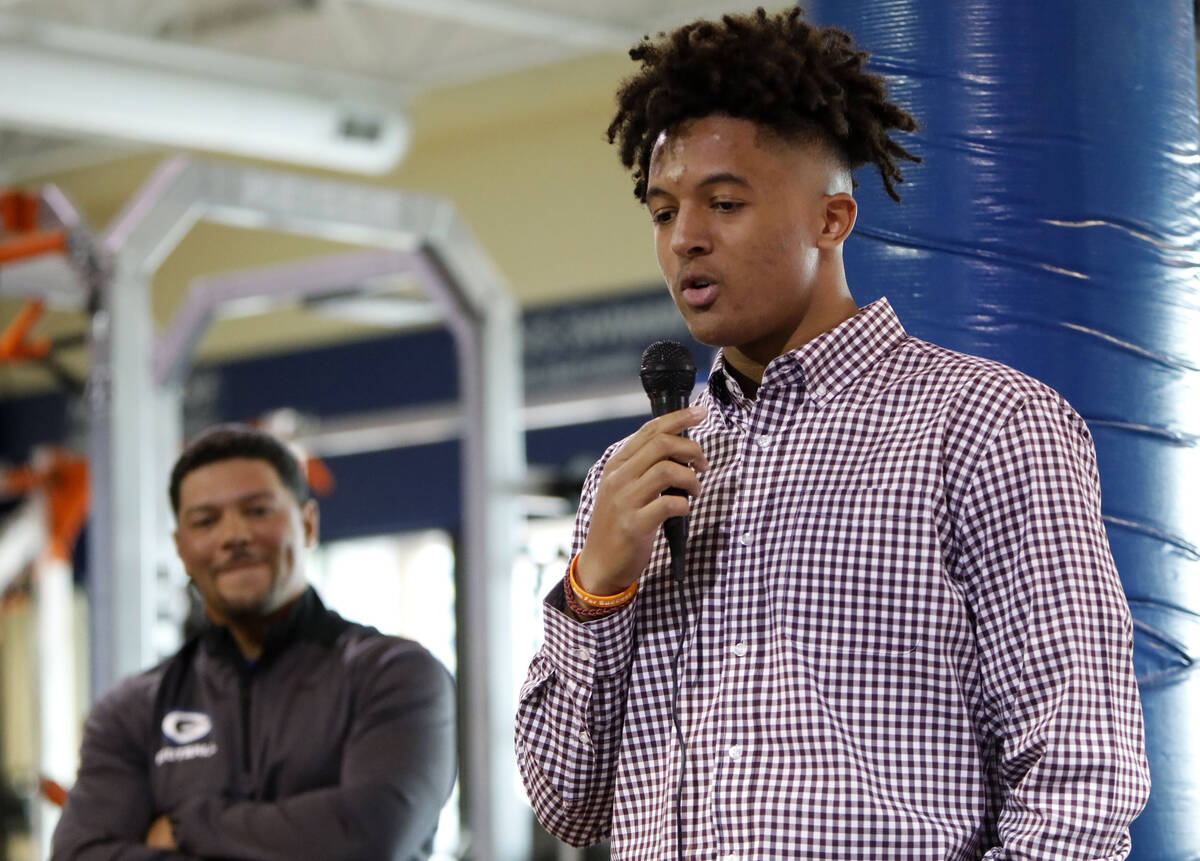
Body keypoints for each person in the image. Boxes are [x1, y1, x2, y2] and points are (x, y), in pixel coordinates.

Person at [515, 7, 1150, 859]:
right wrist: (595, 588)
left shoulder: (985, 425)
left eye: (725, 202)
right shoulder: (631, 478)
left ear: (832, 220)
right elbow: (571, 805)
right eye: (663, 212)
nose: (686, 240)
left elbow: (1081, 771)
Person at [52, 425, 456, 860]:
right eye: (206, 521)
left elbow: (372, 836)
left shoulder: (394, 674)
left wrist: (186, 826)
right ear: (182, 548)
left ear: (307, 524)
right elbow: (81, 854)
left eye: (258, 511)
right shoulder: (134, 709)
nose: (234, 536)